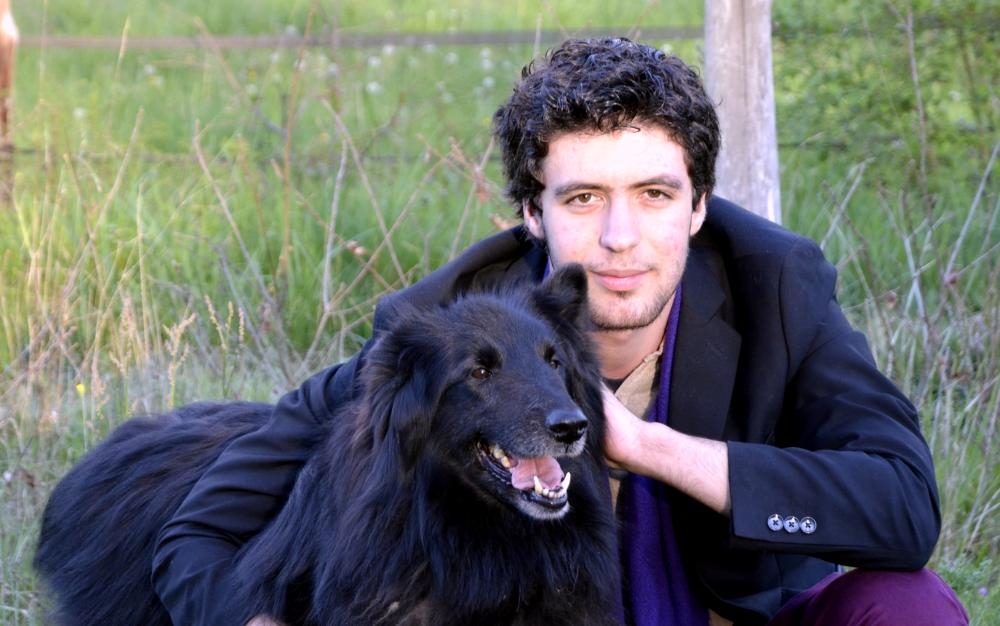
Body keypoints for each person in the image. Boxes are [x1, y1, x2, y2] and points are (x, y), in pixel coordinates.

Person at [152, 38, 969, 625]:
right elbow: (198, 531)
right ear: (532, 213)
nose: (620, 237)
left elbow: (903, 508)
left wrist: (648, 448)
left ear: (698, 206)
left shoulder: (777, 289)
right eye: (583, 199)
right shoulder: (438, 332)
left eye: (654, 194)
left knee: (909, 605)